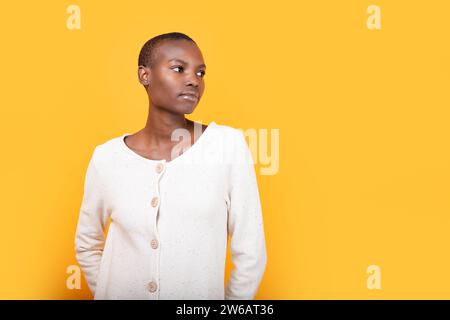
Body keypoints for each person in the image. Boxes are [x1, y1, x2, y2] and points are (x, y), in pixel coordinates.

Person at [74, 32, 267, 300]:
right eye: (179, 69)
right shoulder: (106, 158)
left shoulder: (226, 146)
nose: (193, 81)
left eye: (200, 73)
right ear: (145, 75)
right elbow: (87, 243)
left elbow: (251, 251)